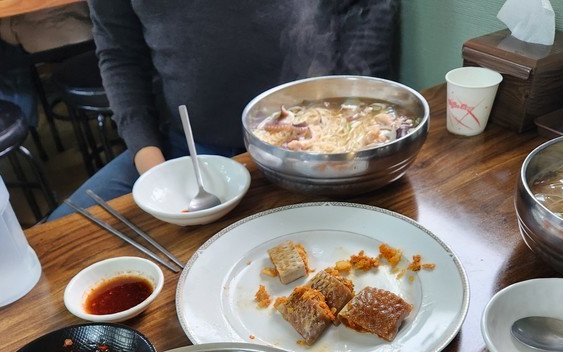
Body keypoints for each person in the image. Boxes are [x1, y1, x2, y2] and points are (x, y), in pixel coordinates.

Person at [46, 0, 399, 220]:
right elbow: (120, 55)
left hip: (313, 148)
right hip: (186, 148)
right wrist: (152, 166)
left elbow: (367, 8)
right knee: (59, 234)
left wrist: (357, 112)